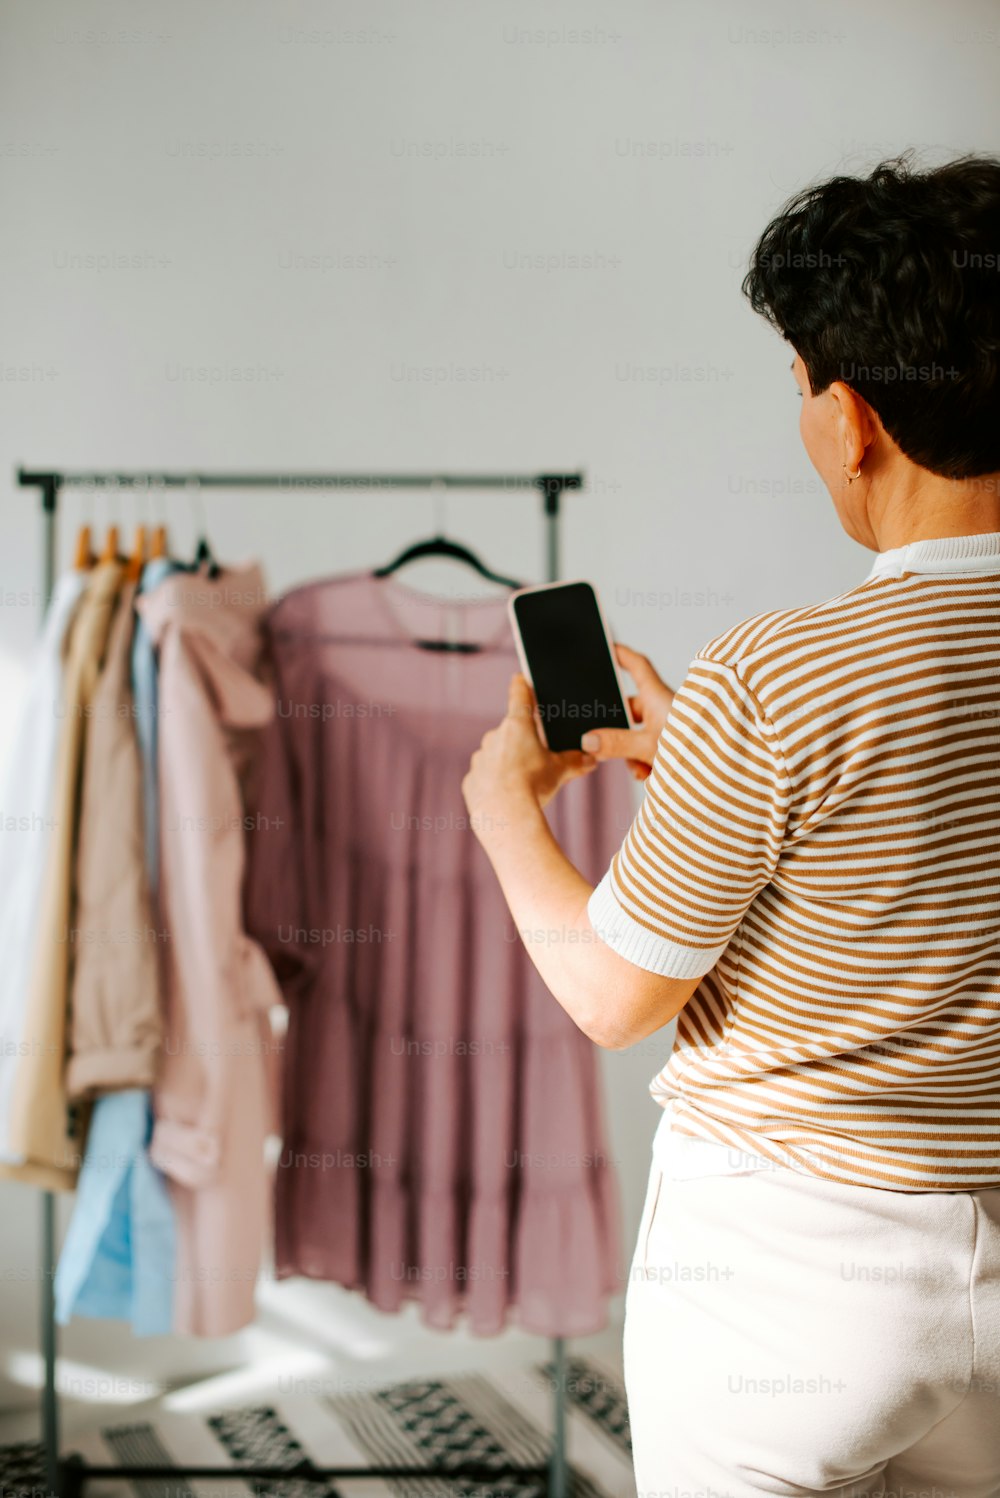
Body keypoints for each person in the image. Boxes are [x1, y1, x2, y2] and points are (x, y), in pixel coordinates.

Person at [462, 153, 1000, 1496]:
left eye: (802, 384)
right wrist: (697, 769)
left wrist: (503, 817)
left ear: (853, 418)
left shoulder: (777, 676)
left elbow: (612, 995)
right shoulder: (760, 705)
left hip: (790, 1287)